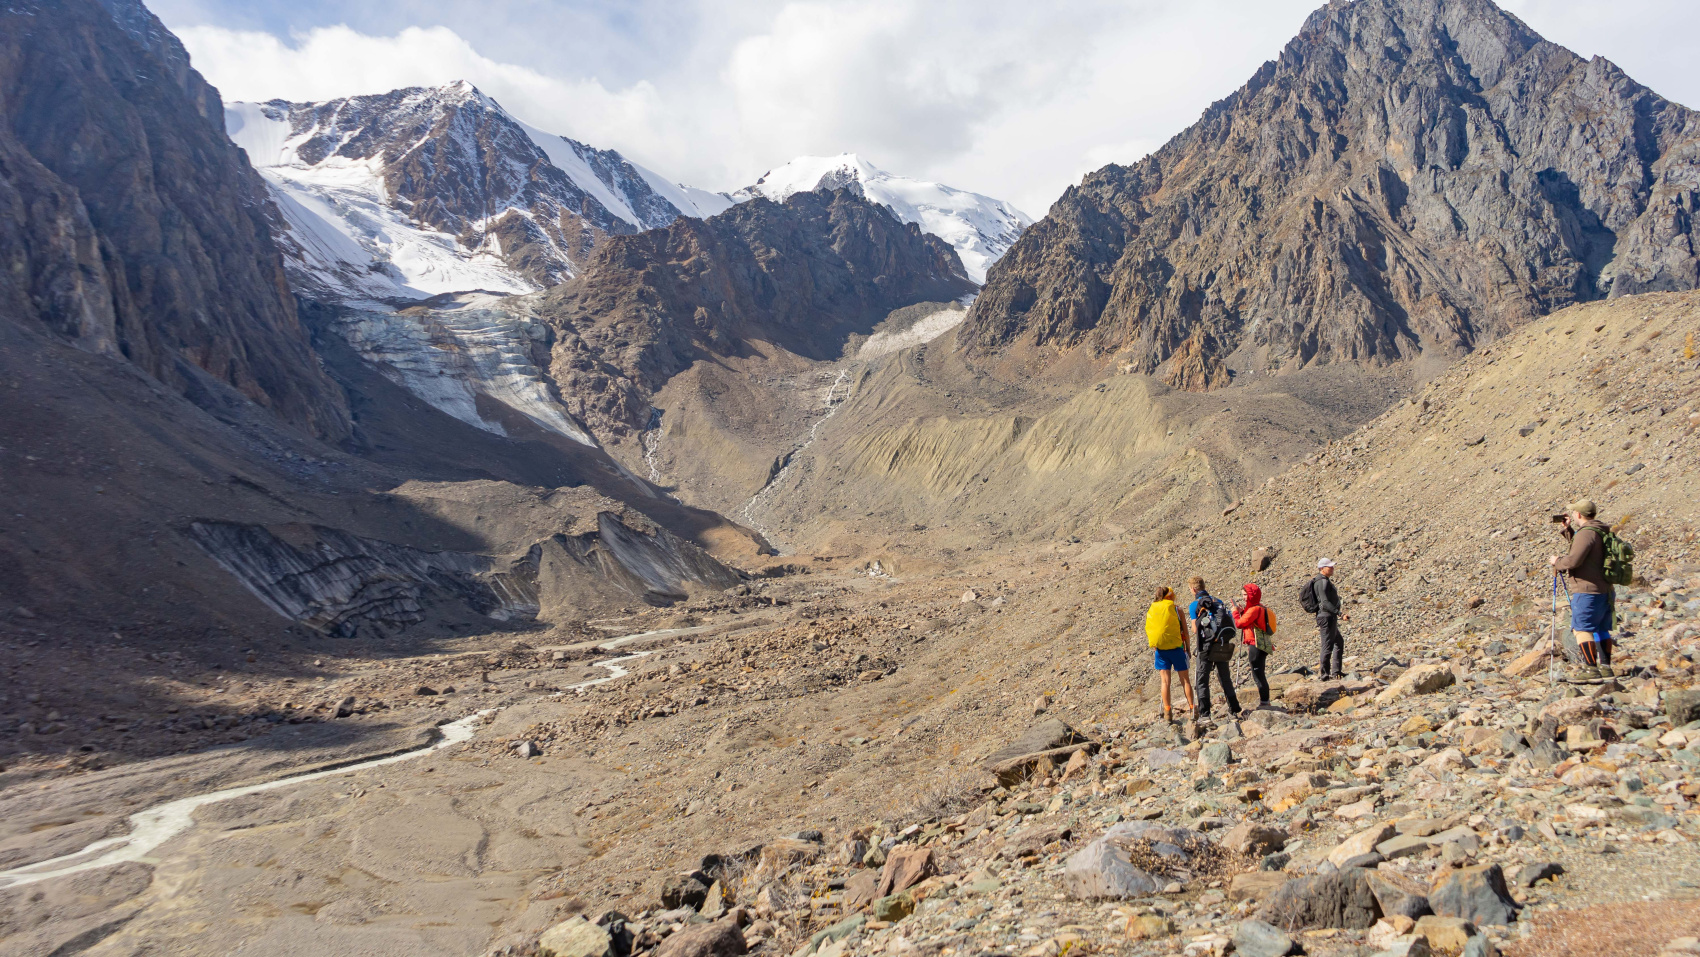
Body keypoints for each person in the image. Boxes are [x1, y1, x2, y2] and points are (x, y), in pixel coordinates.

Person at [1550, 498, 1615, 678]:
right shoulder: (1600, 531)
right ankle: (1606, 668)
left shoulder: (1586, 534)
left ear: (1578, 514)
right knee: (1601, 629)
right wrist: (1568, 530)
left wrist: (1557, 562)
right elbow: (1588, 553)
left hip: (1587, 590)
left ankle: (1590, 669)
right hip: (1605, 589)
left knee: (1582, 628)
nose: (1572, 515)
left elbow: (1574, 560)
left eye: (1573, 513)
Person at [1187, 576, 1241, 720]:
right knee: (1225, 677)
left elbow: (1194, 629)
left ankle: (1205, 715)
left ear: (1193, 589)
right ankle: (1234, 710)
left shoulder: (1194, 605)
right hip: (1222, 643)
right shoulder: (1218, 601)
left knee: (1202, 679)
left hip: (1206, 647)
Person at [1145, 585, 1196, 723]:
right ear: (1170, 596)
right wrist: (1188, 648)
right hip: (1177, 648)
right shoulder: (1176, 609)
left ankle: (1167, 712)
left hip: (1160, 650)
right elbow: (1185, 632)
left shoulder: (1153, 608)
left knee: (1165, 682)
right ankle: (1192, 709)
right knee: (1185, 680)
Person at [1233, 583, 1275, 710]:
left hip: (1254, 644)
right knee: (1260, 672)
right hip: (1262, 644)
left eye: (1246, 595)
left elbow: (1240, 624)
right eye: (1243, 595)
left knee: (1257, 673)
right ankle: (1265, 700)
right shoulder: (1260, 607)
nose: (1244, 598)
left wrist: (1235, 613)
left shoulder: (1254, 609)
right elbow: (1249, 620)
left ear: (1252, 594)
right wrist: (1242, 612)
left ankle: (1264, 702)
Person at [1309, 559, 1345, 679]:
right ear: (1322, 568)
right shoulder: (1322, 582)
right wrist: (1339, 613)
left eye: (1332, 566)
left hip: (1329, 617)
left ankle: (1336, 672)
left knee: (1338, 642)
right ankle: (1324, 674)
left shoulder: (1324, 581)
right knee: (1327, 645)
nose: (1332, 568)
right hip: (1326, 617)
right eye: (1329, 567)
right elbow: (1324, 602)